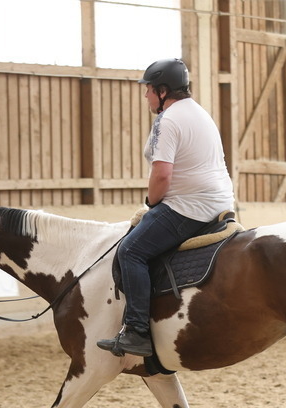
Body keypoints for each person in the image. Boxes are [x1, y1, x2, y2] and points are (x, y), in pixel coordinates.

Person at [97, 58, 236, 357]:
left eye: (148, 90)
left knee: (130, 250)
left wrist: (150, 203)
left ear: (162, 91)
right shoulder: (199, 113)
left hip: (189, 206)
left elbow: (161, 175)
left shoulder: (168, 120)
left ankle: (137, 331)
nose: (145, 96)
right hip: (220, 201)